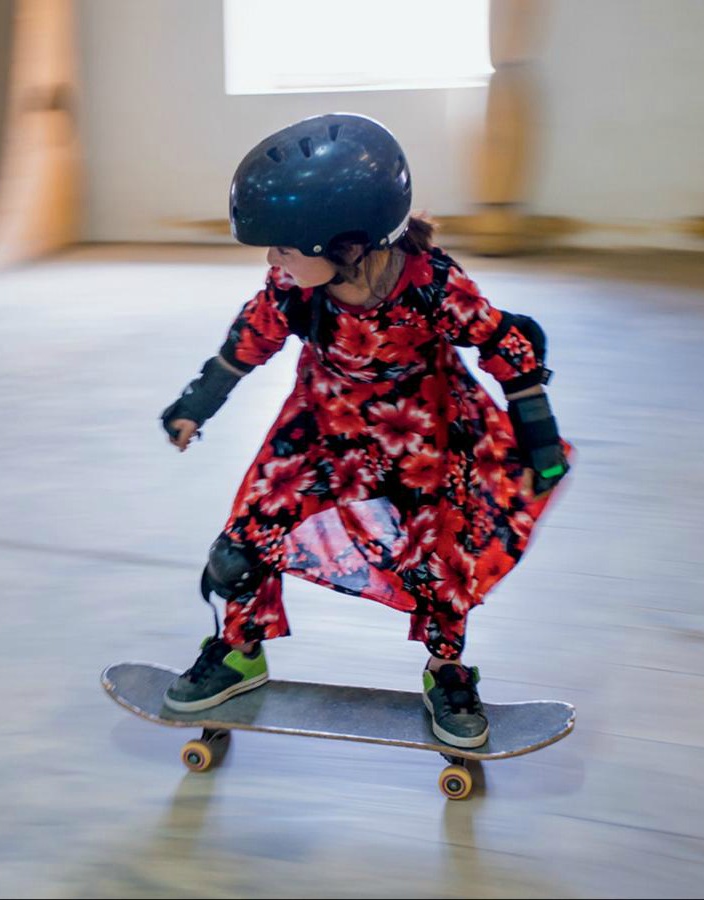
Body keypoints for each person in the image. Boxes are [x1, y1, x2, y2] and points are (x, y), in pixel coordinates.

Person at [159, 113, 571, 749]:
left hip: (422, 437)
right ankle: (240, 652)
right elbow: (252, 336)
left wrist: (538, 439)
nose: (272, 260)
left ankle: (448, 673)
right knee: (242, 547)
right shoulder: (295, 286)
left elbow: (506, 344)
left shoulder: (434, 285)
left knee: (438, 565)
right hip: (322, 427)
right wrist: (197, 402)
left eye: (284, 248)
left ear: (346, 245)